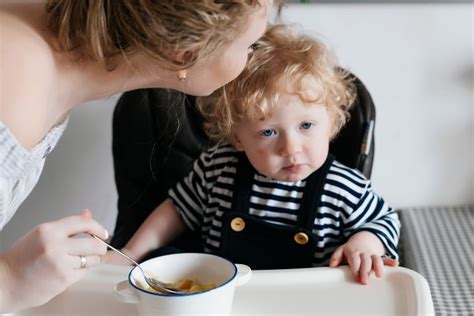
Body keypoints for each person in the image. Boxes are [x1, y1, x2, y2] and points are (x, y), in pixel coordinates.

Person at [0, 0, 273, 312]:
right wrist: (9, 280)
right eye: (251, 45)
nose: (252, 58)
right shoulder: (13, 93)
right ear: (185, 52)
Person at [104, 24, 401, 285]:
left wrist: (366, 242)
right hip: (222, 297)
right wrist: (130, 253)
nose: (291, 148)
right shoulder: (218, 169)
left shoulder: (342, 187)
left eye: (306, 126)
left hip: (306, 303)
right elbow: (176, 211)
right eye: (269, 132)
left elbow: (386, 221)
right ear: (237, 137)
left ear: (332, 125)